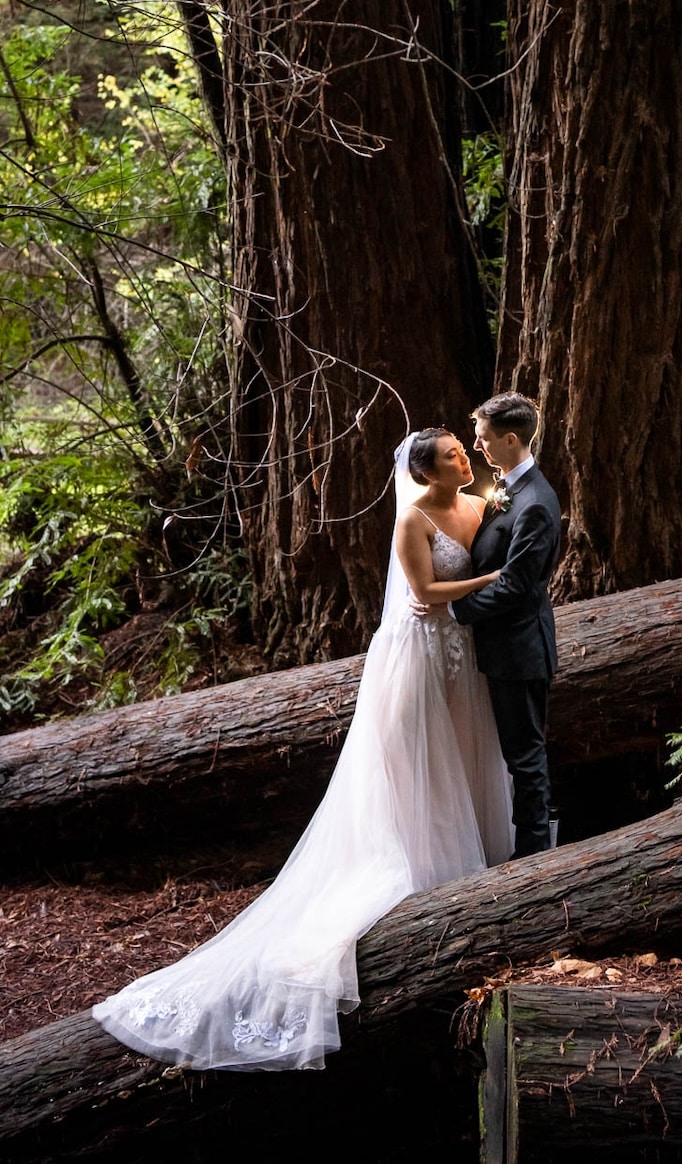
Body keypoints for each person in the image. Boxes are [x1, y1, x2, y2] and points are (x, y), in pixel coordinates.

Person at [91, 429, 513, 1071]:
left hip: (461, 655)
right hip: (417, 656)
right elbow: (424, 595)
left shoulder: (479, 503)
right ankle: (422, 858)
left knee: (462, 751)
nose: (464, 456)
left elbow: (494, 513)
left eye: (463, 448)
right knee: (417, 759)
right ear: (427, 471)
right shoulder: (412, 518)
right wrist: (490, 579)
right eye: (454, 452)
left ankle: (471, 852)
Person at [450, 392, 561, 858]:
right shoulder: (509, 488)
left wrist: (457, 611)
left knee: (525, 755)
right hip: (504, 646)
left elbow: (516, 585)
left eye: (483, 439)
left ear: (510, 439)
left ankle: (534, 853)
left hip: (520, 649)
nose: (477, 447)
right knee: (519, 750)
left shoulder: (534, 501)